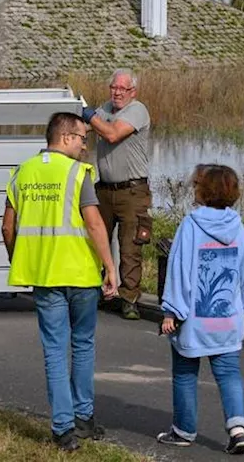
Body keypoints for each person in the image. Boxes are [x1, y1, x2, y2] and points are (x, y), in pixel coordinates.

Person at [1, 112, 119, 452]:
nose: (85, 145)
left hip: (44, 276)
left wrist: (18, 258)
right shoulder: (77, 173)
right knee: (82, 345)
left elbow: (8, 227)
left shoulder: (22, 172)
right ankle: (84, 418)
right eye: (83, 138)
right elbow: (95, 225)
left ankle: (63, 429)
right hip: (80, 274)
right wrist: (110, 267)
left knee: (54, 349)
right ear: (65, 137)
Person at [157, 164, 244, 455]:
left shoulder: (191, 224)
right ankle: (237, 430)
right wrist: (241, 308)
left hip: (194, 319)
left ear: (203, 190)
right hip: (227, 317)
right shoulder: (237, 226)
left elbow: (179, 270)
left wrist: (171, 311)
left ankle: (184, 430)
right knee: (229, 374)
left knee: (185, 372)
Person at [81, 69, 155, 320]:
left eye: (122, 89)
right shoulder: (105, 109)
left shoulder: (137, 110)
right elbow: (86, 127)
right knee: (97, 240)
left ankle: (129, 299)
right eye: (114, 88)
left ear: (132, 92)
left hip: (132, 190)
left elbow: (112, 134)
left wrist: (90, 116)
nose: (117, 93)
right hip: (105, 188)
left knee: (130, 245)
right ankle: (101, 291)